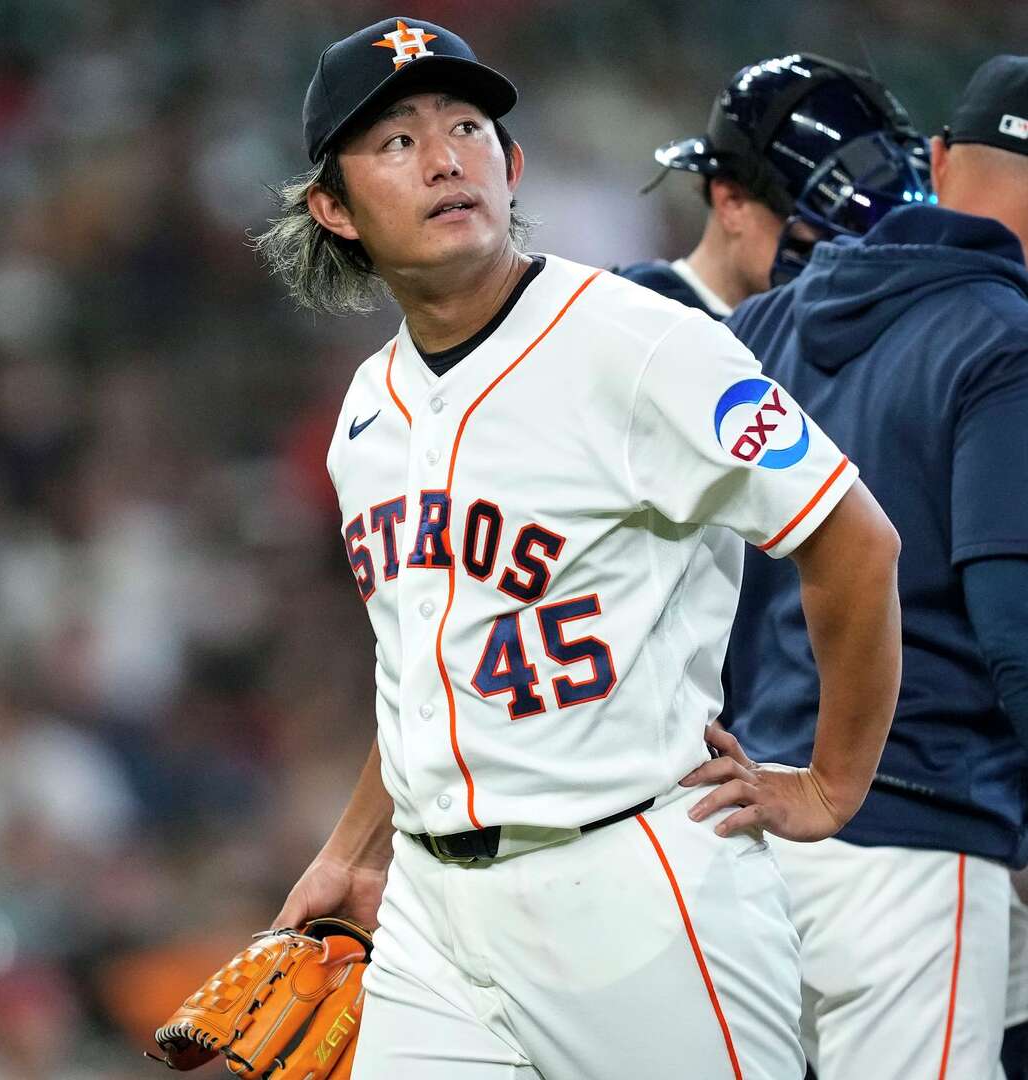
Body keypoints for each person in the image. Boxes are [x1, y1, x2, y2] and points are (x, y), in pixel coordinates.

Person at [254, 18, 902, 1079]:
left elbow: (854, 539)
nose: (446, 156)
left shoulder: (640, 344)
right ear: (334, 207)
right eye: (397, 141)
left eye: (466, 126)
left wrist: (833, 784)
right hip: (432, 920)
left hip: (633, 891)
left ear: (510, 168)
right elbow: (424, 666)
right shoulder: (366, 411)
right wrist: (352, 847)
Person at [718, 54, 1028, 1080]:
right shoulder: (1007, 341)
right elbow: (1013, 617)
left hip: (742, 834)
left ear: (936, 161)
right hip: (919, 834)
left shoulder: (757, 327)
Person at [617, 53, 932, 317]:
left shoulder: (843, 338)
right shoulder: (631, 321)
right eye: (813, 244)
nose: (838, 264)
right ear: (732, 202)